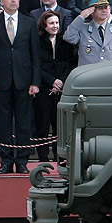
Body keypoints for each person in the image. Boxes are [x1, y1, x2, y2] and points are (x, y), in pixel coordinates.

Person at [0, 0, 41, 174]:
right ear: (2, 0)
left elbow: (35, 55)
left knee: (24, 123)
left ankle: (22, 161)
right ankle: (6, 161)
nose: (13, 0)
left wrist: (35, 81)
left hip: (24, 80)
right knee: (3, 124)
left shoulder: (29, 22)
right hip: (1, 81)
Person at [34, 11, 75, 162]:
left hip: (61, 88)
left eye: (57, 23)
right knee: (42, 124)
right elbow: (36, 65)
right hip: (44, 89)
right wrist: (51, 81)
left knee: (60, 126)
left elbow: (70, 63)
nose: (55, 26)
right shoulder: (37, 41)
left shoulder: (65, 41)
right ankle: (43, 157)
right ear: (44, 25)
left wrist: (61, 81)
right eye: (51, 23)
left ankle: (60, 156)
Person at [63, 0, 112, 65]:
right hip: (89, 75)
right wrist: (82, 16)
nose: (104, 10)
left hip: (111, 75)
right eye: (100, 8)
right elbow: (68, 37)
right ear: (92, 11)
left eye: (106, 7)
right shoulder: (83, 29)